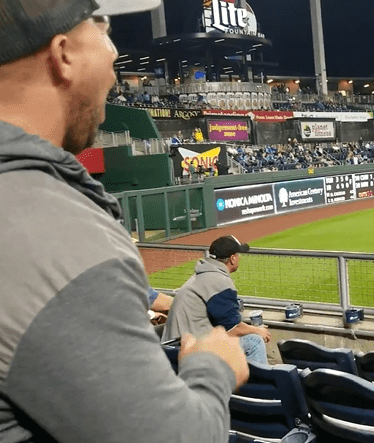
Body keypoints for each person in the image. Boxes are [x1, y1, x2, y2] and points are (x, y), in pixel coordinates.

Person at [0, 0, 249, 441]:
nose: (116, 55)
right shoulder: (49, 224)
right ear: (63, 54)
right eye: (102, 26)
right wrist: (213, 368)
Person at [162, 236, 272, 364]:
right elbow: (232, 329)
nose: (239, 258)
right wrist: (257, 330)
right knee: (254, 341)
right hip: (186, 352)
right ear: (232, 259)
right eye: (238, 254)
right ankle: (260, 383)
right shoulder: (219, 281)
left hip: (172, 347)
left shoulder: (203, 275)